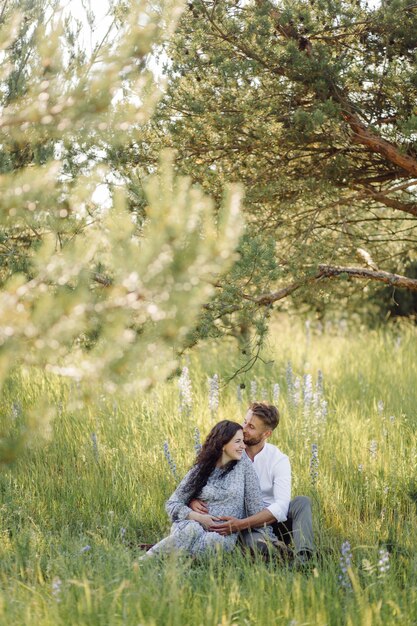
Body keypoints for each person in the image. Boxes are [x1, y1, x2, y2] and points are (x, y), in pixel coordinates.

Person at [190, 403, 315, 564]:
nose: (243, 429)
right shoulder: (230, 450)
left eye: (251, 427)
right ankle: (277, 551)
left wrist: (240, 524)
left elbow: (281, 507)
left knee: (302, 502)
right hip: (239, 524)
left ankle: (304, 557)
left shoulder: (278, 460)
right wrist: (192, 499)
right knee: (257, 545)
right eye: (244, 422)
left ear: (266, 433)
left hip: (268, 522)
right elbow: (195, 481)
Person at [140, 420, 276, 558]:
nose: (243, 446)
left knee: (213, 541)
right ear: (223, 444)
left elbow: (256, 508)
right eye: (238, 441)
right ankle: (149, 558)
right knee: (192, 530)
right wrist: (199, 517)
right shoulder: (202, 468)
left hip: (222, 535)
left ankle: (168, 556)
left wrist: (271, 540)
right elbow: (172, 504)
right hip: (191, 525)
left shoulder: (244, 466)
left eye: (243, 441)